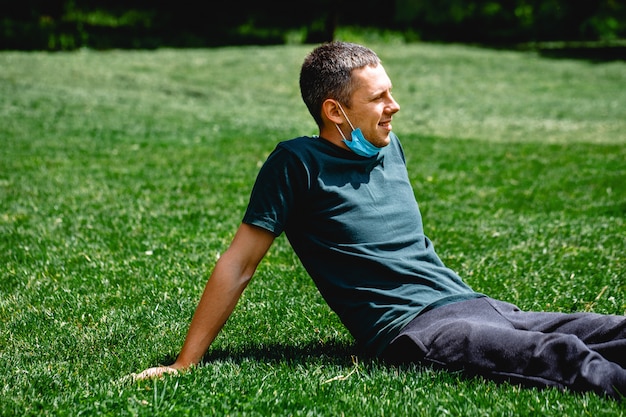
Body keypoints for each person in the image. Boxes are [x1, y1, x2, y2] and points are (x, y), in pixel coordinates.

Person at [134, 41, 626, 400]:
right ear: (335, 111)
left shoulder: (390, 150)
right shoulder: (297, 164)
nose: (394, 107)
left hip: (474, 302)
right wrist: (185, 363)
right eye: (378, 98)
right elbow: (239, 263)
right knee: (563, 357)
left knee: (608, 329)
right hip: (413, 329)